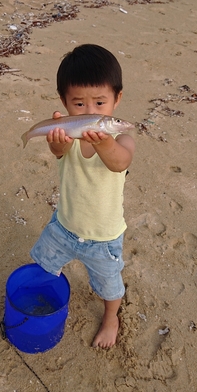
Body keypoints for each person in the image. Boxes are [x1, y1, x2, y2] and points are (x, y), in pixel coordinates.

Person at [30, 44, 135, 349]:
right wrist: (57, 139)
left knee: (109, 285)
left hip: (103, 238)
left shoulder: (122, 138)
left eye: (100, 103)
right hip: (64, 225)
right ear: (65, 103)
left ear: (117, 99)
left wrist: (103, 140)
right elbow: (58, 151)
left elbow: (119, 162)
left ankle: (110, 318)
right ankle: (48, 287)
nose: (90, 113)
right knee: (43, 262)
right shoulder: (67, 136)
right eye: (79, 104)